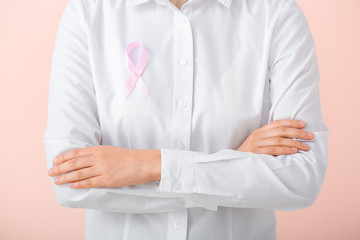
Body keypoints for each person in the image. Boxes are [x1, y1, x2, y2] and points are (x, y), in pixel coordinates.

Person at [43, 0, 330, 239]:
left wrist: (147, 164)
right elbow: (69, 182)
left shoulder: (276, 14)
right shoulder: (88, 14)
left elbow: (300, 177)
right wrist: (232, 162)